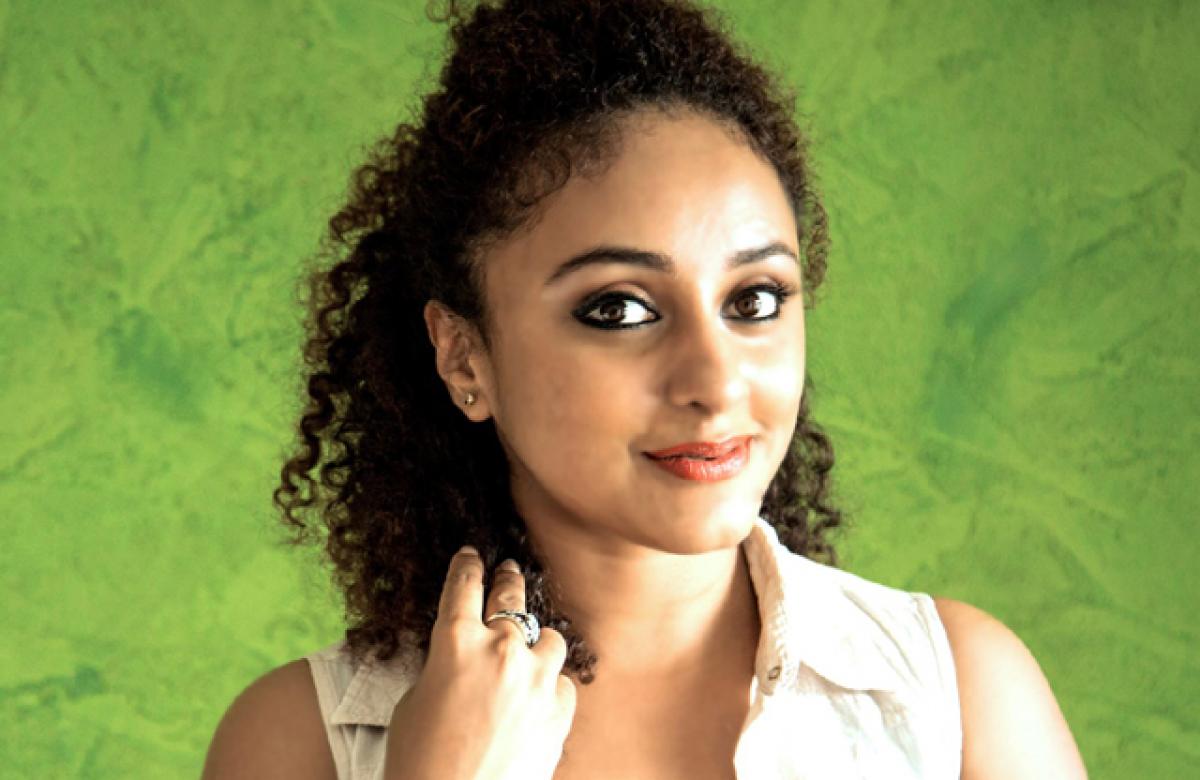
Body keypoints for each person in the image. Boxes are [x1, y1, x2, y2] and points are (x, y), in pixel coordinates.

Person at [201, 0, 1088, 777]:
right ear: (464, 358)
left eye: (755, 300)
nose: (715, 380)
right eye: (619, 310)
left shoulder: (961, 701)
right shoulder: (298, 744)